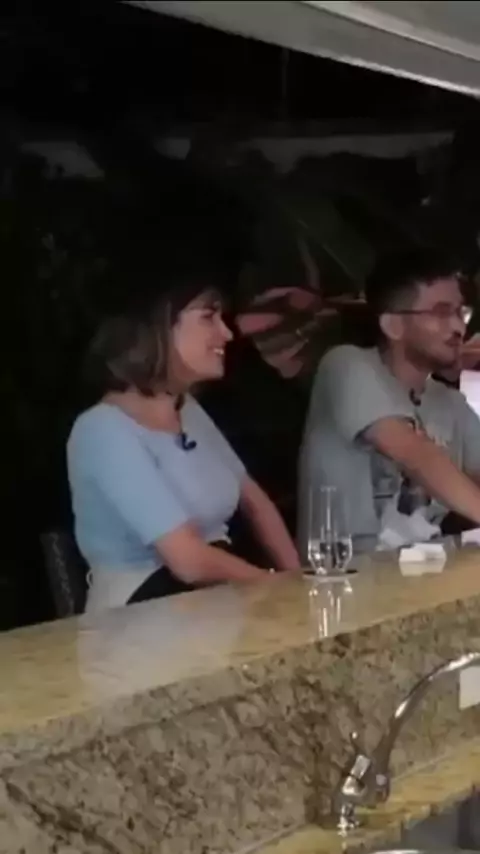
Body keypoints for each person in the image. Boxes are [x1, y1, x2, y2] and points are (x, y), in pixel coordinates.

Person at [67, 261, 300, 613]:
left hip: (214, 606)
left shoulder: (187, 409)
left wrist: (299, 580)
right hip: (142, 619)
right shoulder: (101, 430)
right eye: (208, 317)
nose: (227, 333)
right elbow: (188, 561)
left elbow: (255, 501)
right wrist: (274, 586)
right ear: (158, 328)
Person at [298, 248, 480, 553]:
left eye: (461, 313)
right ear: (393, 325)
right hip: (345, 573)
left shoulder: (450, 403)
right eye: (441, 313)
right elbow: (415, 454)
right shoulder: (346, 365)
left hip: (427, 569)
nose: (458, 327)